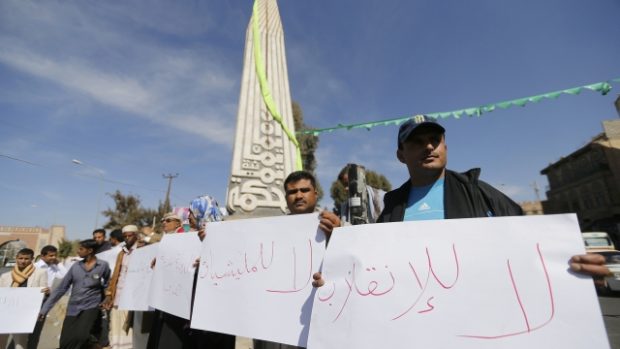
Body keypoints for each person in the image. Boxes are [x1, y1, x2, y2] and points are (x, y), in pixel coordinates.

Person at [254, 171, 341, 349]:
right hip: (274, 324)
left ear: (315, 193)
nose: (299, 195)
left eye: (304, 190)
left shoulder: (334, 227)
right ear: (286, 197)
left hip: (316, 322)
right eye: (293, 192)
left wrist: (338, 237)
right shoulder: (267, 232)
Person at [40, 239, 111, 349]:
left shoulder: (103, 266)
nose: (78, 251)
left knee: (80, 336)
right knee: (65, 341)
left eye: (81, 249)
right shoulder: (75, 266)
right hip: (73, 307)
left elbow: (107, 284)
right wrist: (44, 310)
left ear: (90, 250)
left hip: (91, 306)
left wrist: (107, 297)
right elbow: (61, 289)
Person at [0, 248, 48, 349]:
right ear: (16, 258)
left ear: (32, 259)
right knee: (1, 341)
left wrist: (46, 292)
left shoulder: (40, 273)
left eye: (26, 258)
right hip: (5, 313)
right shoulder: (5, 276)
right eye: (20, 258)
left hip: (24, 314)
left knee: (20, 344)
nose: (23, 261)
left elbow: (42, 292)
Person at [103, 225, 141, 349]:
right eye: (125, 236)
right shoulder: (122, 253)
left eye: (130, 236)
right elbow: (115, 275)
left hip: (131, 298)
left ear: (136, 236)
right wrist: (109, 295)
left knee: (127, 330)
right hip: (117, 296)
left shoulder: (143, 251)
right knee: (115, 328)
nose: (127, 239)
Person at [32, 245, 67, 349]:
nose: (53, 258)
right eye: (51, 255)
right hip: (34, 298)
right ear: (43, 256)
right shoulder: (35, 266)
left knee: (39, 326)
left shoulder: (54, 267)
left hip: (46, 299)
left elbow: (65, 275)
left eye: (55, 255)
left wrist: (59, 263)